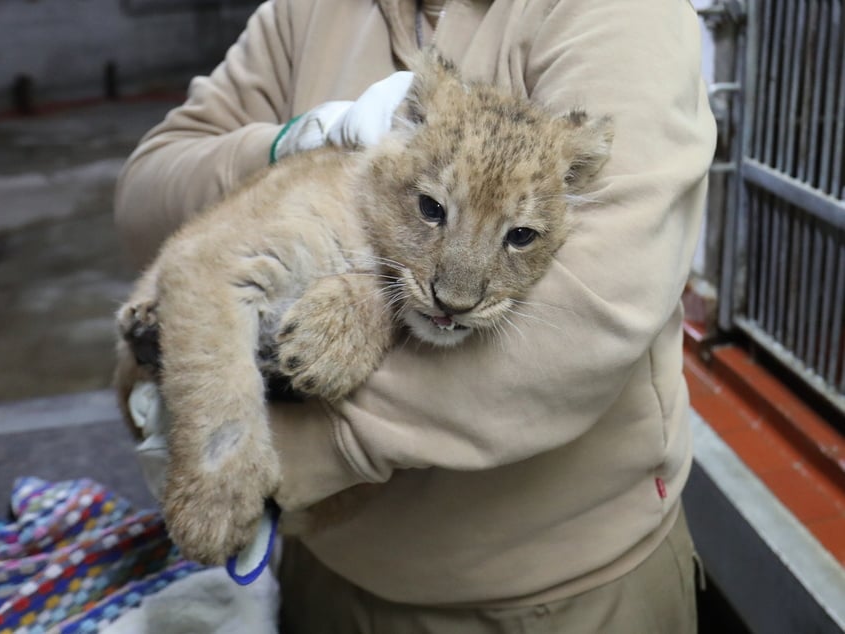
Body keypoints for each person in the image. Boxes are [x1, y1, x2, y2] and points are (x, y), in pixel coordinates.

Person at [113, 0, 717, 631]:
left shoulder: (616, 13)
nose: (457, 295)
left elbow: (593, 321)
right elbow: (144, 196)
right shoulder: (303, 10)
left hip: (551, 593)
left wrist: (278, 450)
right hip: (318, 562)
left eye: (518, 236)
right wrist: (295, 142)